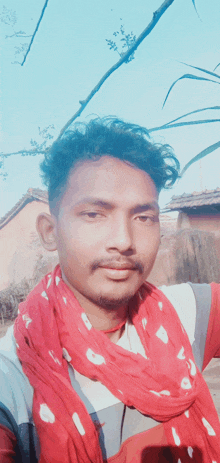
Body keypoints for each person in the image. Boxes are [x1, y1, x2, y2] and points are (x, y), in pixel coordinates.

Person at [0, 117, 220, 463]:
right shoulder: (13, 380)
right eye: (94, 214)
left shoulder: (185, 313)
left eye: (143, 218)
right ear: (49, 231)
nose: (123, 241)